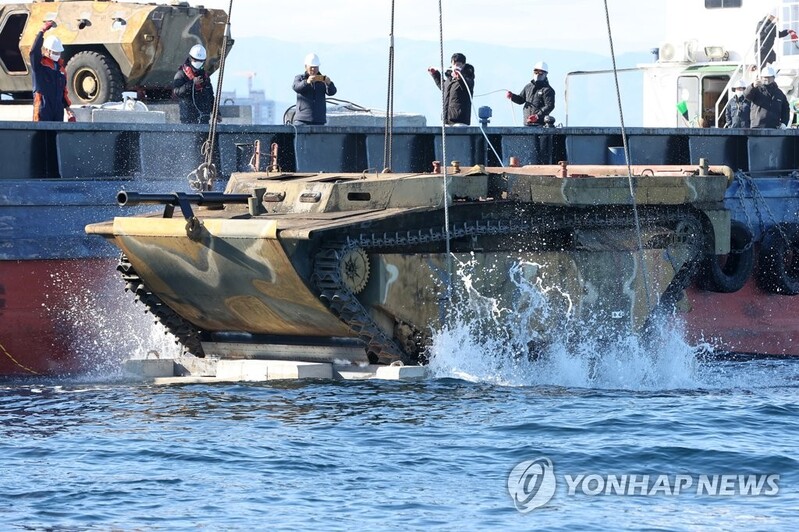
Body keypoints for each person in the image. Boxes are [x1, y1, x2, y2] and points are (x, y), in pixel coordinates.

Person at [30, 20, 74, 122]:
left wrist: (68, 108)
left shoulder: (61, 70)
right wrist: (42, 31)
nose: (57, 55)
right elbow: (33, 51)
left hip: (58, 109)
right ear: (47, 50)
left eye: (58, 53)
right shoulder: (39, 65)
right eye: (55, 52)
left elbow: (63, 92)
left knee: (56, 132)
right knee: (42, 132)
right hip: (42, 108)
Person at [427, 52, 475, 126]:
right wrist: (435, 74)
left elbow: (467, 85)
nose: (455, 66)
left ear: (463, 65)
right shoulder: (450, 79)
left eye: (458, 64)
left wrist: (459, 77)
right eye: (453, 64)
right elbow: (444, 88)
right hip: (447, 119)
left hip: (460, 120)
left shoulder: (468, 77)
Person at [172, 44, 214, 124]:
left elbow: (210, 95)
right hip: (188, 119)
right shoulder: (181, 74)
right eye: (196, 60)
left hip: (204, 119)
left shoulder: (204, 77)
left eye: (201, 61)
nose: (198, 63)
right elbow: (177, 92)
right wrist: (192, 83)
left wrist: (216, 112)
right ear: (190, 58)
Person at [292, 53, 337, 125]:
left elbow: (332, 92)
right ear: (306, 67)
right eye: (311, 67)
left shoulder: (322, 80)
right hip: (302, 119)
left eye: (315, 67)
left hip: (319, 120)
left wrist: (329, 83)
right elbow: (296, 87)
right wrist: (307, 82)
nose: (313, 69)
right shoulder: (300, 78)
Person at [506, 61, 555, 126]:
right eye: (536, 72)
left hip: (540, 125)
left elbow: (549, 106)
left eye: (540, 73)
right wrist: (512, 96)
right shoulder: (528, 87)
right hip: (527, 124)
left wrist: (537, 116)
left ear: (545, 74)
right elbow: (521, 100)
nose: (537, 74)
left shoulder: (548, 90)